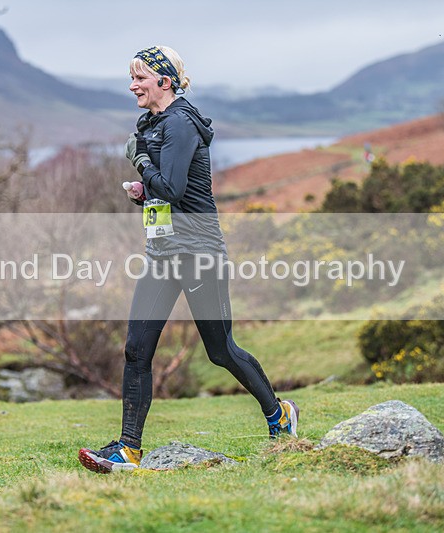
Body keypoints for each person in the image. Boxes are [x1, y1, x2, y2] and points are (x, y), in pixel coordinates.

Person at [78, 45, 298, 474]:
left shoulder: (179, 124)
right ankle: (128, 448)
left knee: (221, 351)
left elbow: (175, 188)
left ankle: (280, 414)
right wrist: (144, 193)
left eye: (140, 78)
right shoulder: (155, 123)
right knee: (136, 350)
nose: (132, 85)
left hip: (199, 253)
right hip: (162, 252)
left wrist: (141, 163)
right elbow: (165, 191)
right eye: (131, 77)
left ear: (164, 81)